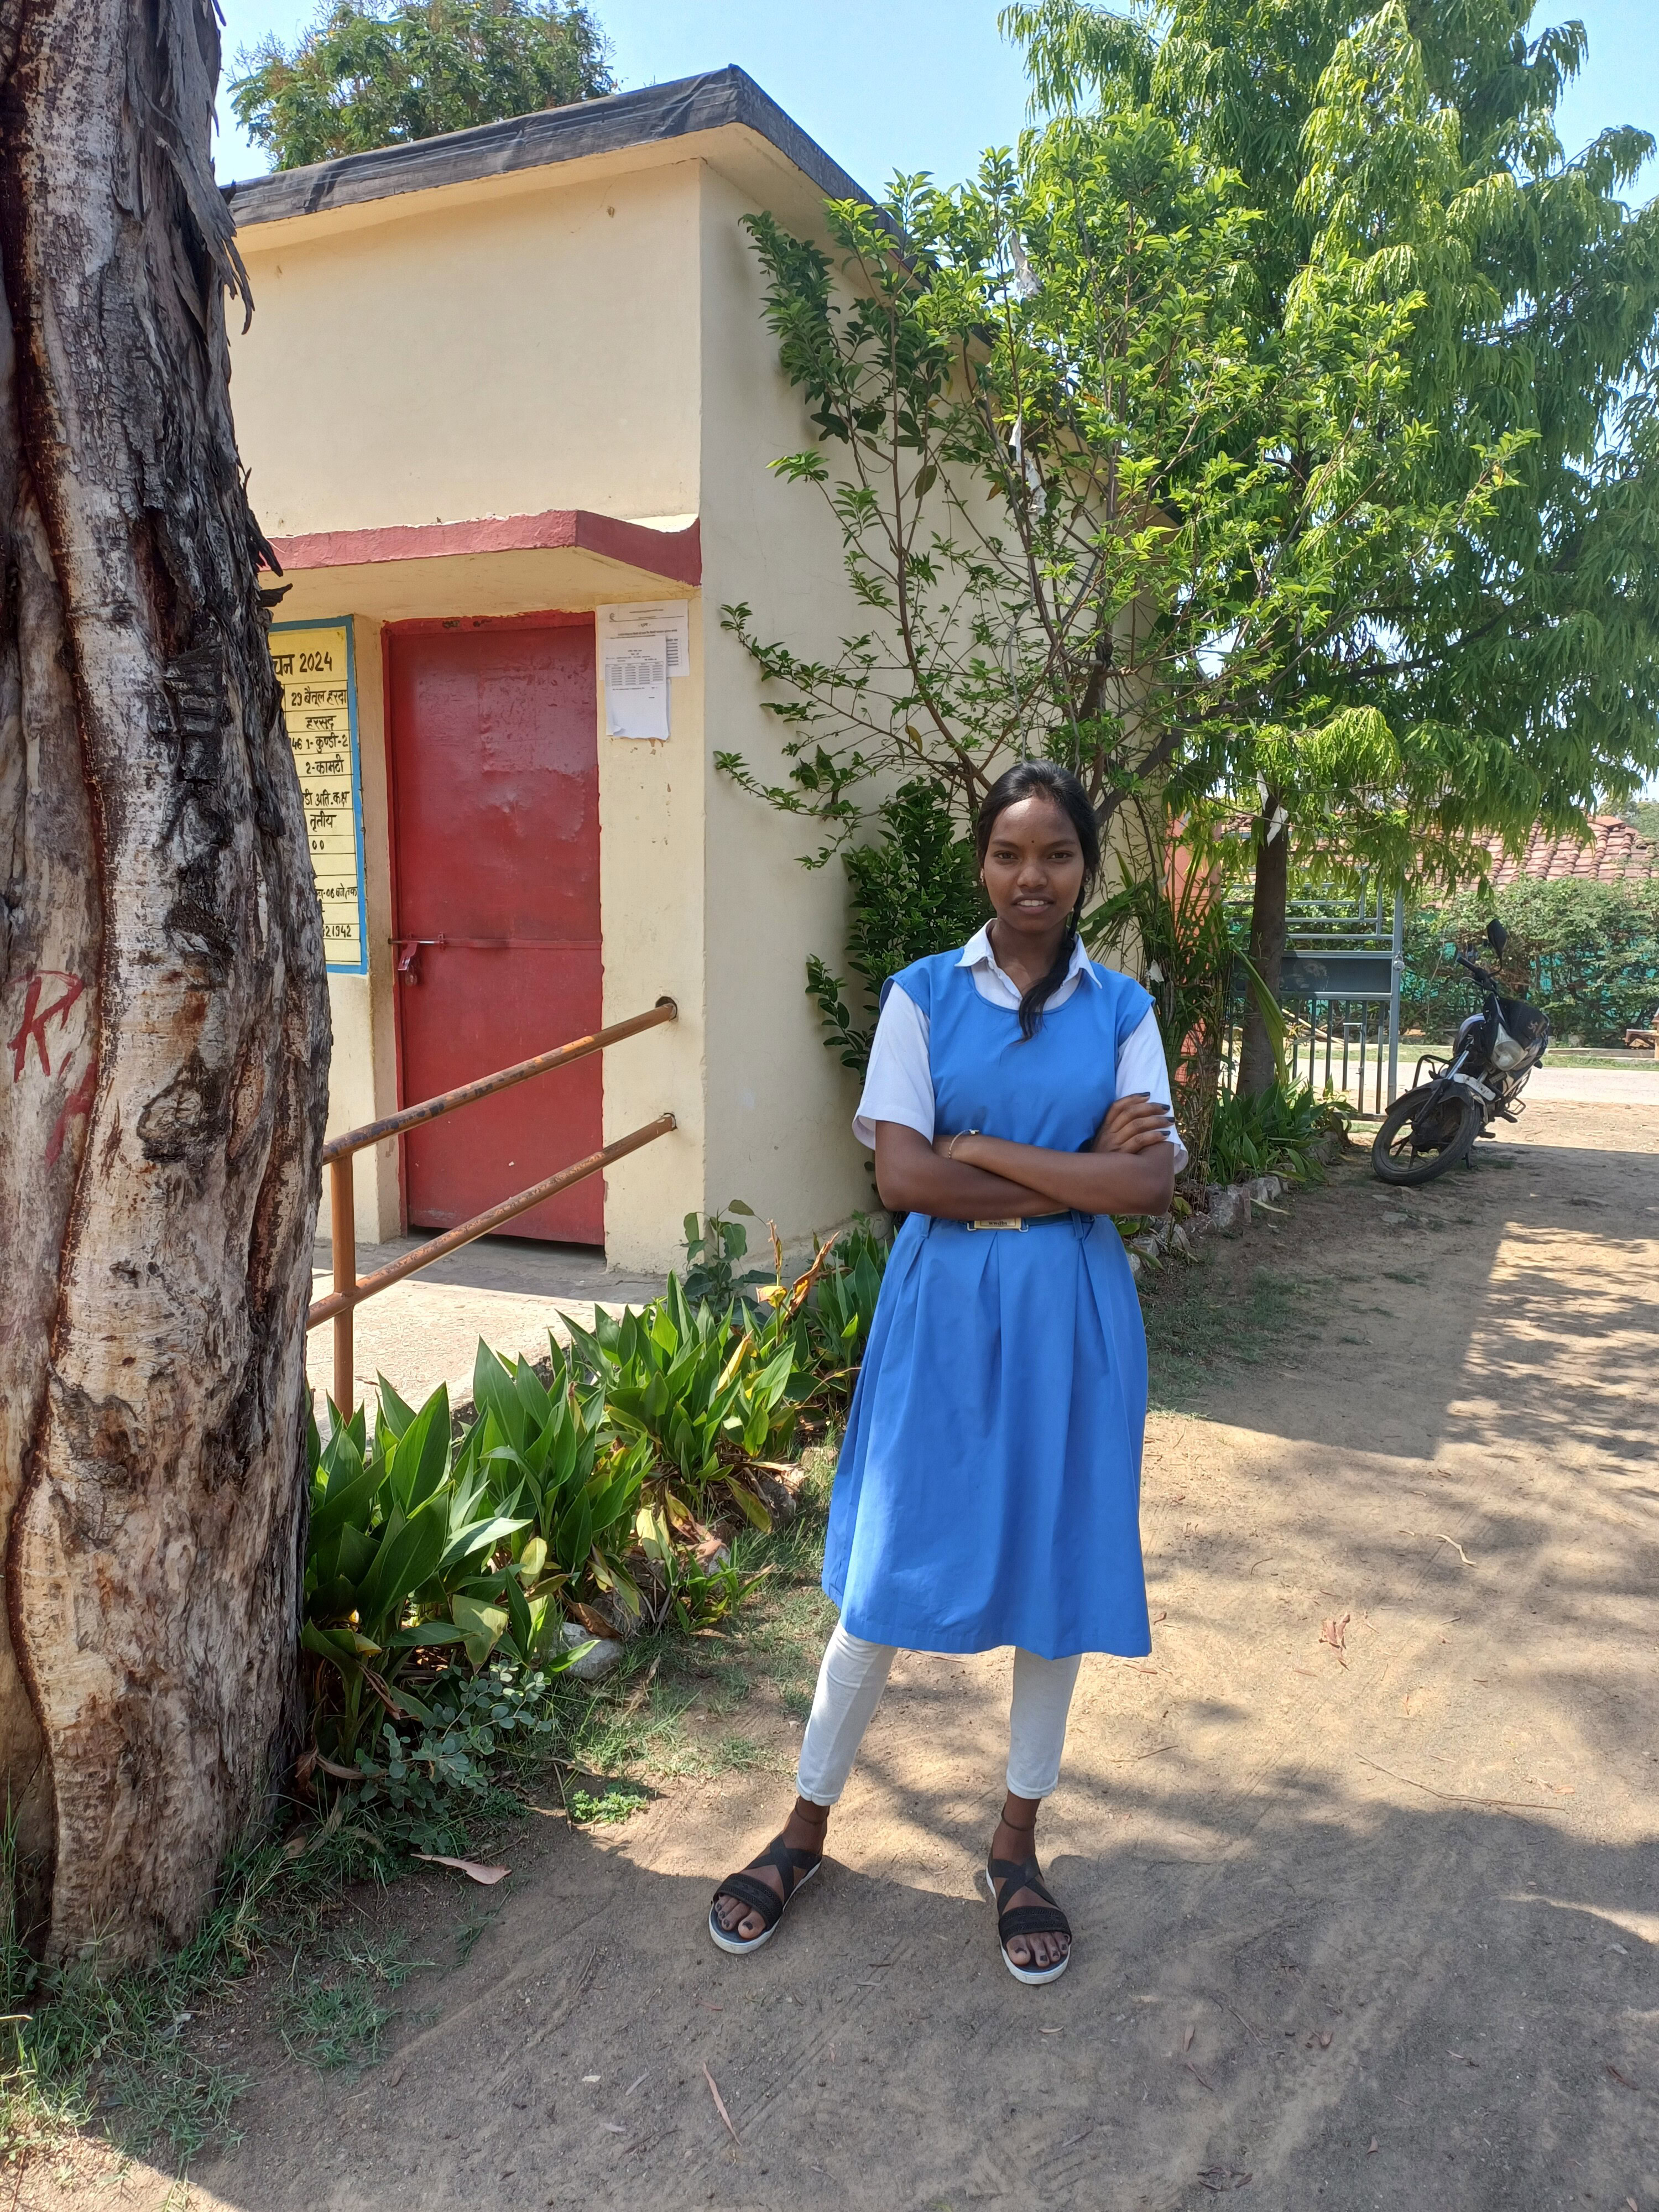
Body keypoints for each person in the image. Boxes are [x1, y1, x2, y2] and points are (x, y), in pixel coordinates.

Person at [708, 761, 1185, 1983]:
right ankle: (805, 1823)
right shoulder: (923, 996)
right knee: (881, 1576)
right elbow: (905, 1180)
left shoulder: (1124, 1007)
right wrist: (1067, 1160)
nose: (1034, 877)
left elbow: (1146, 1184)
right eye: (1011, 853)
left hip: (1072, 1317)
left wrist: (981, 1142)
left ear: (1087, 869)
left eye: (1059, 855)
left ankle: (1016, 1843)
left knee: (1054, 1572)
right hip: (944, 1311)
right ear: (983, 863)